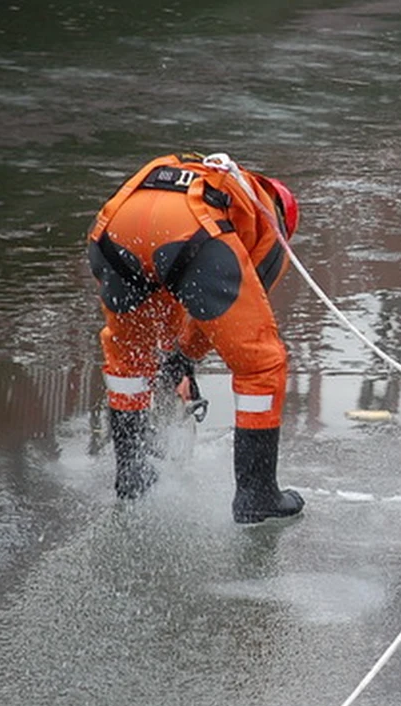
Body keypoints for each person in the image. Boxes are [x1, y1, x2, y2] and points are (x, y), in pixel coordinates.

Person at [86, 151, 305, 524]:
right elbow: (221, 318)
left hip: (113, 229)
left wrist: (174, 356)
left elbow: (170, 295)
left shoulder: (208, 179)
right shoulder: (269, 222)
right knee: (260, 364)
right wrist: (186, 354)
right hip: (192, 230)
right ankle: (257, 496)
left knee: (129, 361)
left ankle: (131, 474)